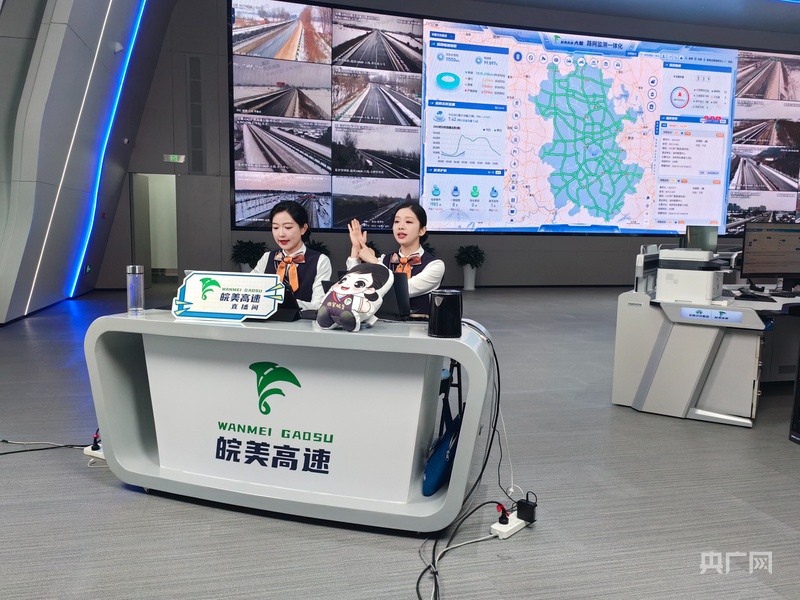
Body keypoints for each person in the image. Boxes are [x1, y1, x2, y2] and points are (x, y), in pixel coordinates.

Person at [347, 202, 444, 314]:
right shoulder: (384, 260)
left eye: (408, 222)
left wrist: (374, 261)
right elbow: (353, 285)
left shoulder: (435, 265)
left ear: (422, 230)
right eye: (396, 221)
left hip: (418, 324)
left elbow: (403, 290)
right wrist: (356, 248)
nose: (400, 226)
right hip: (382, 323)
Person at [252, 200, 332, 310]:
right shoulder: (267, 258)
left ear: (303, 229)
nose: (281, 234)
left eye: (288, 227)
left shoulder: (320, 261)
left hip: (303, 321)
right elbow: (250, 289)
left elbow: (318, 305)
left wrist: (285, 303)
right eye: (275, 228)